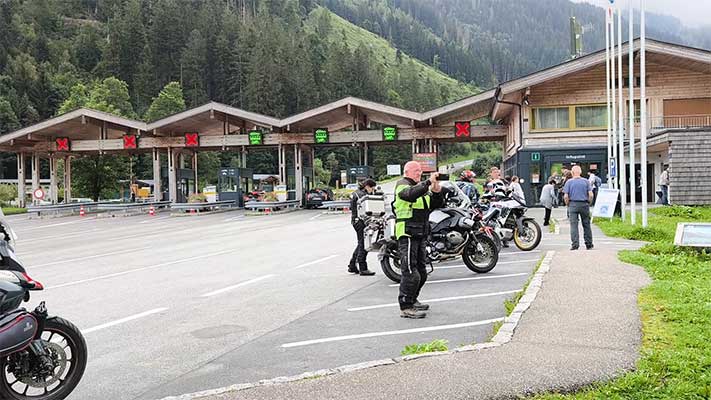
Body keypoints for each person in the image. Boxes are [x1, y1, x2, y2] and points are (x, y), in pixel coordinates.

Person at [393, 161, 444, 319]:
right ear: (407, 171)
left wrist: (436, 190)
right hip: (407, 232)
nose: (419, 173)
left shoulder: (422, 190)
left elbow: (436, 204)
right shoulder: (402, 185)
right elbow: (408, 195)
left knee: (422, 272)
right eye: (416, 171)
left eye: (421, 171)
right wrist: (428, 182)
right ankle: (406, 306)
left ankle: (413, 299)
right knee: (410, 271)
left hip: (420, 233)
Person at [347, 179, 377, 276]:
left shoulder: (356, 193)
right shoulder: (363, 195)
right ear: (367, 186)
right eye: (372, 188)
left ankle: (352, 265)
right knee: (364, 244)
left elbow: (352, 208)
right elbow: (367, 209)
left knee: (361, 243)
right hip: (361, 221)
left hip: (355, 221)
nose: (373, 190)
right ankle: (363, 268)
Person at [563, 165, 594, 251]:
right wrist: (589, 202)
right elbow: (591, 195)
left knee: (574, 226)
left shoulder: (569, 182)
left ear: (572, 173)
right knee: (586, 225)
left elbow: (566, 196)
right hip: (584, 204)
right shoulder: (586, 181)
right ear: (580, 172)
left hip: (573, 204)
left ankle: (575, 245)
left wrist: (568, 204)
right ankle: (589, 244)